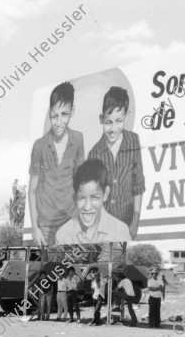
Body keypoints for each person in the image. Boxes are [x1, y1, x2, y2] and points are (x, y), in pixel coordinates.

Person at [29, 81, 85, 246]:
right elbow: (32, 190)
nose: (59, 122)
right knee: (45, 268)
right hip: (45, 223)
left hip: (70, 220)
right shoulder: (39, 145)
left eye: (64, 114)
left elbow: (80, 181)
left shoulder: (78, 138)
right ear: (49, 114)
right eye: (54, 116)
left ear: (72, 111)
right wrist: (34, 227)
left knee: (67, 268)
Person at [87, 86, 145, 240]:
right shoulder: (93, 154)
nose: (113, 128)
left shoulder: (133, 141)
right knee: (105, 262)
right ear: (101, 119)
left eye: (119, 121)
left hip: (126, 222)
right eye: (108, 122)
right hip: (102, 226)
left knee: (122, 263)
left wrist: (135, 222)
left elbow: (137, 183)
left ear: (127, 115)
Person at [55, 158, 132, 244]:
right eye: (81, 198)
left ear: (105, 194)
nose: (87, 207)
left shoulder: (120, 232)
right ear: (74, 199)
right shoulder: (62, 236)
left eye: (94, 198)